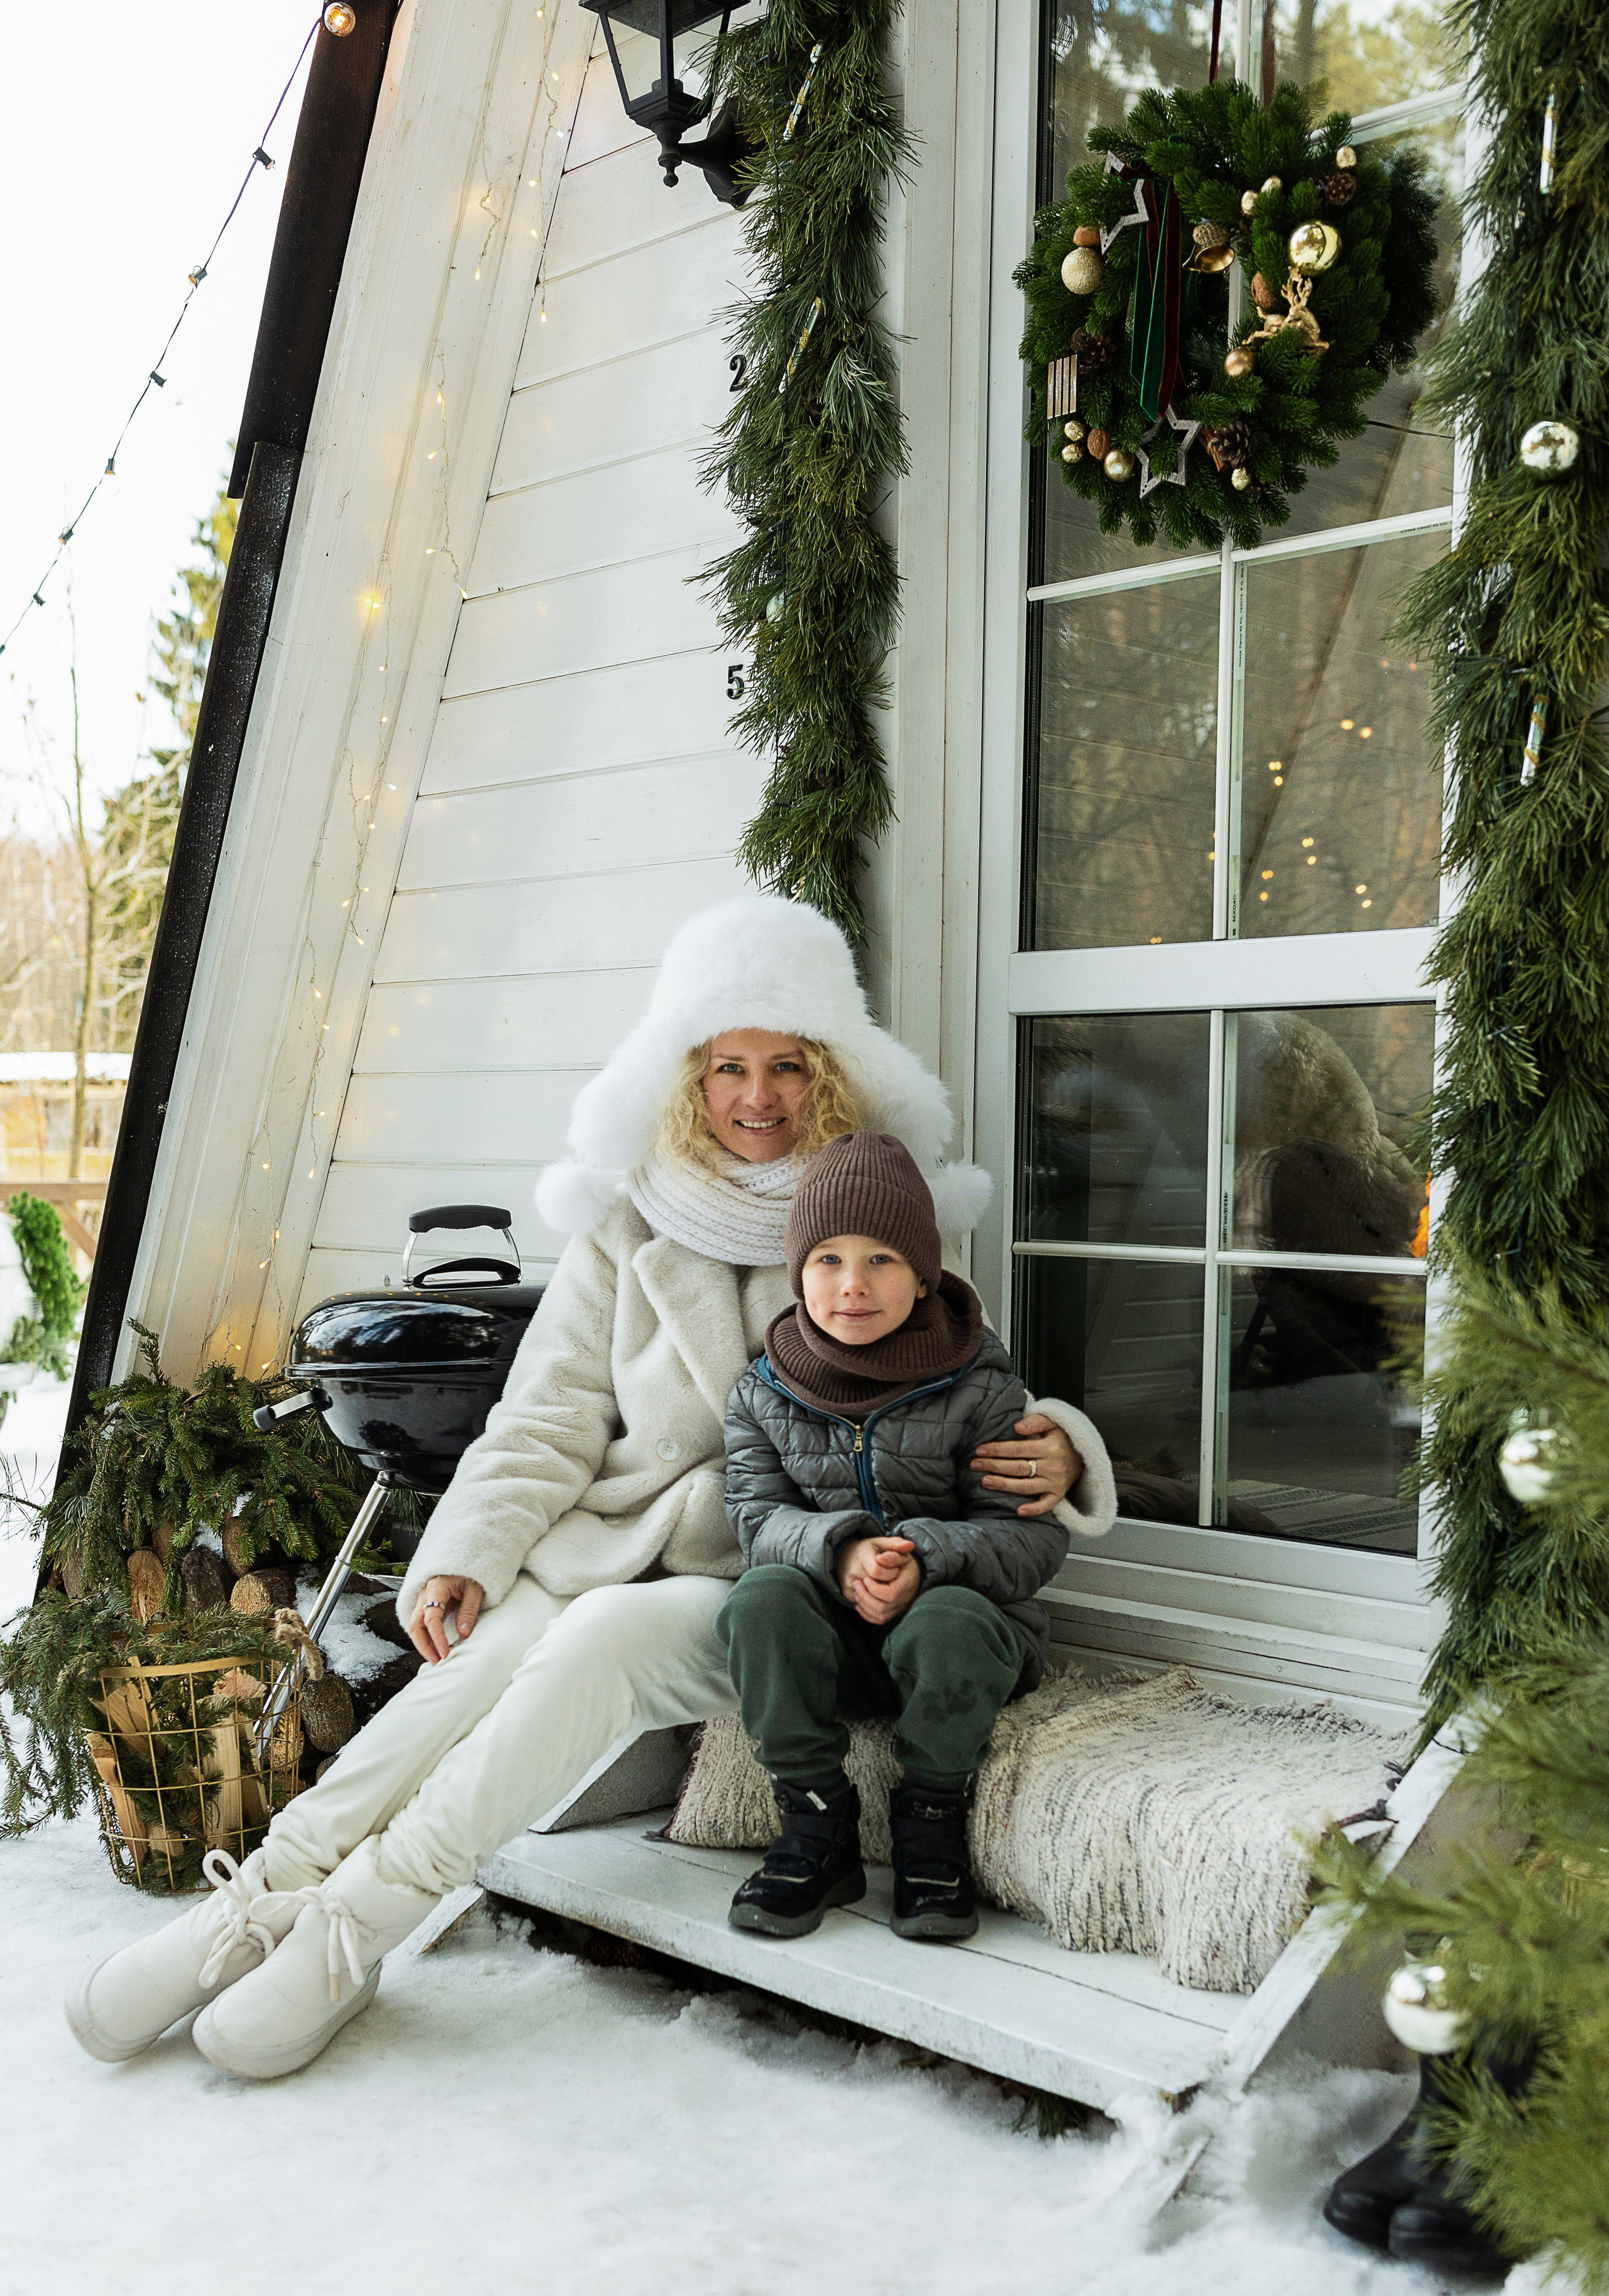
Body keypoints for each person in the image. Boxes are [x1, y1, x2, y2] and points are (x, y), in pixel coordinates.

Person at [65, 895, 1115, 2081]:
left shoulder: (877, 1215)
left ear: (827, 1074)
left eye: (785, 1066)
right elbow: (551, 1408)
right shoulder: (633, 1215)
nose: (757, 1096)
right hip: (607, 1534)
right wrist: (466, 1548)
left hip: (777, 1575)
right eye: (728, 1066)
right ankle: (257, 1899)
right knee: (472, 1659)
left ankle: (360, 1925)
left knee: (602, 1636)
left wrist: (1066, 1449)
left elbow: (976, 1376)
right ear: (689, 1074)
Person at [718, 1132, 1069, 1945]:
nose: (852, 1285)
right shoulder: (762, 1393)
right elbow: (757, 1518)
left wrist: (923, 1557)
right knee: (760, 1599)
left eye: (881, 1259)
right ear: (797, 1273)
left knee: (948, 1619)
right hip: (837, 1641)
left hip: (961, 1638)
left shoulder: (982, 1387)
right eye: (828, 1259)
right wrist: (839, 1553)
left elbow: (1031, 1542)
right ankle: (815, 1826)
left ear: (923, 1276)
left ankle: (929, 1826)